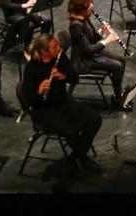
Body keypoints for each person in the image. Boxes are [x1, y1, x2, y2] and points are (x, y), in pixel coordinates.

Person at [20, 33, 103, 176]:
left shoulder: (60, 57)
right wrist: (39, 91)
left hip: (64, 102)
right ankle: (81, 158)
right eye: (55, 47)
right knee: (72, 130)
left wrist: (64, 76)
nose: (59, 48)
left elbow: (74, 78)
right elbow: (28, 100)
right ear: (44, 52)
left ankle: (75, 158)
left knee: (95, 119)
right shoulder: (32, 67)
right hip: (43, 110)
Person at [67, 0, 128, 109]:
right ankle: (117, 99)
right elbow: (87, 49)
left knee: (122, 60)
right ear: (83, 6)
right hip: (83, 62)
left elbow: (91, 38)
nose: (92, 5)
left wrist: (101, 32)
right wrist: (107, 41)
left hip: (90, 55)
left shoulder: (84, 18)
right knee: (117, 65)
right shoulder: (75, 25)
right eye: (90, 3)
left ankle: (118, 92)